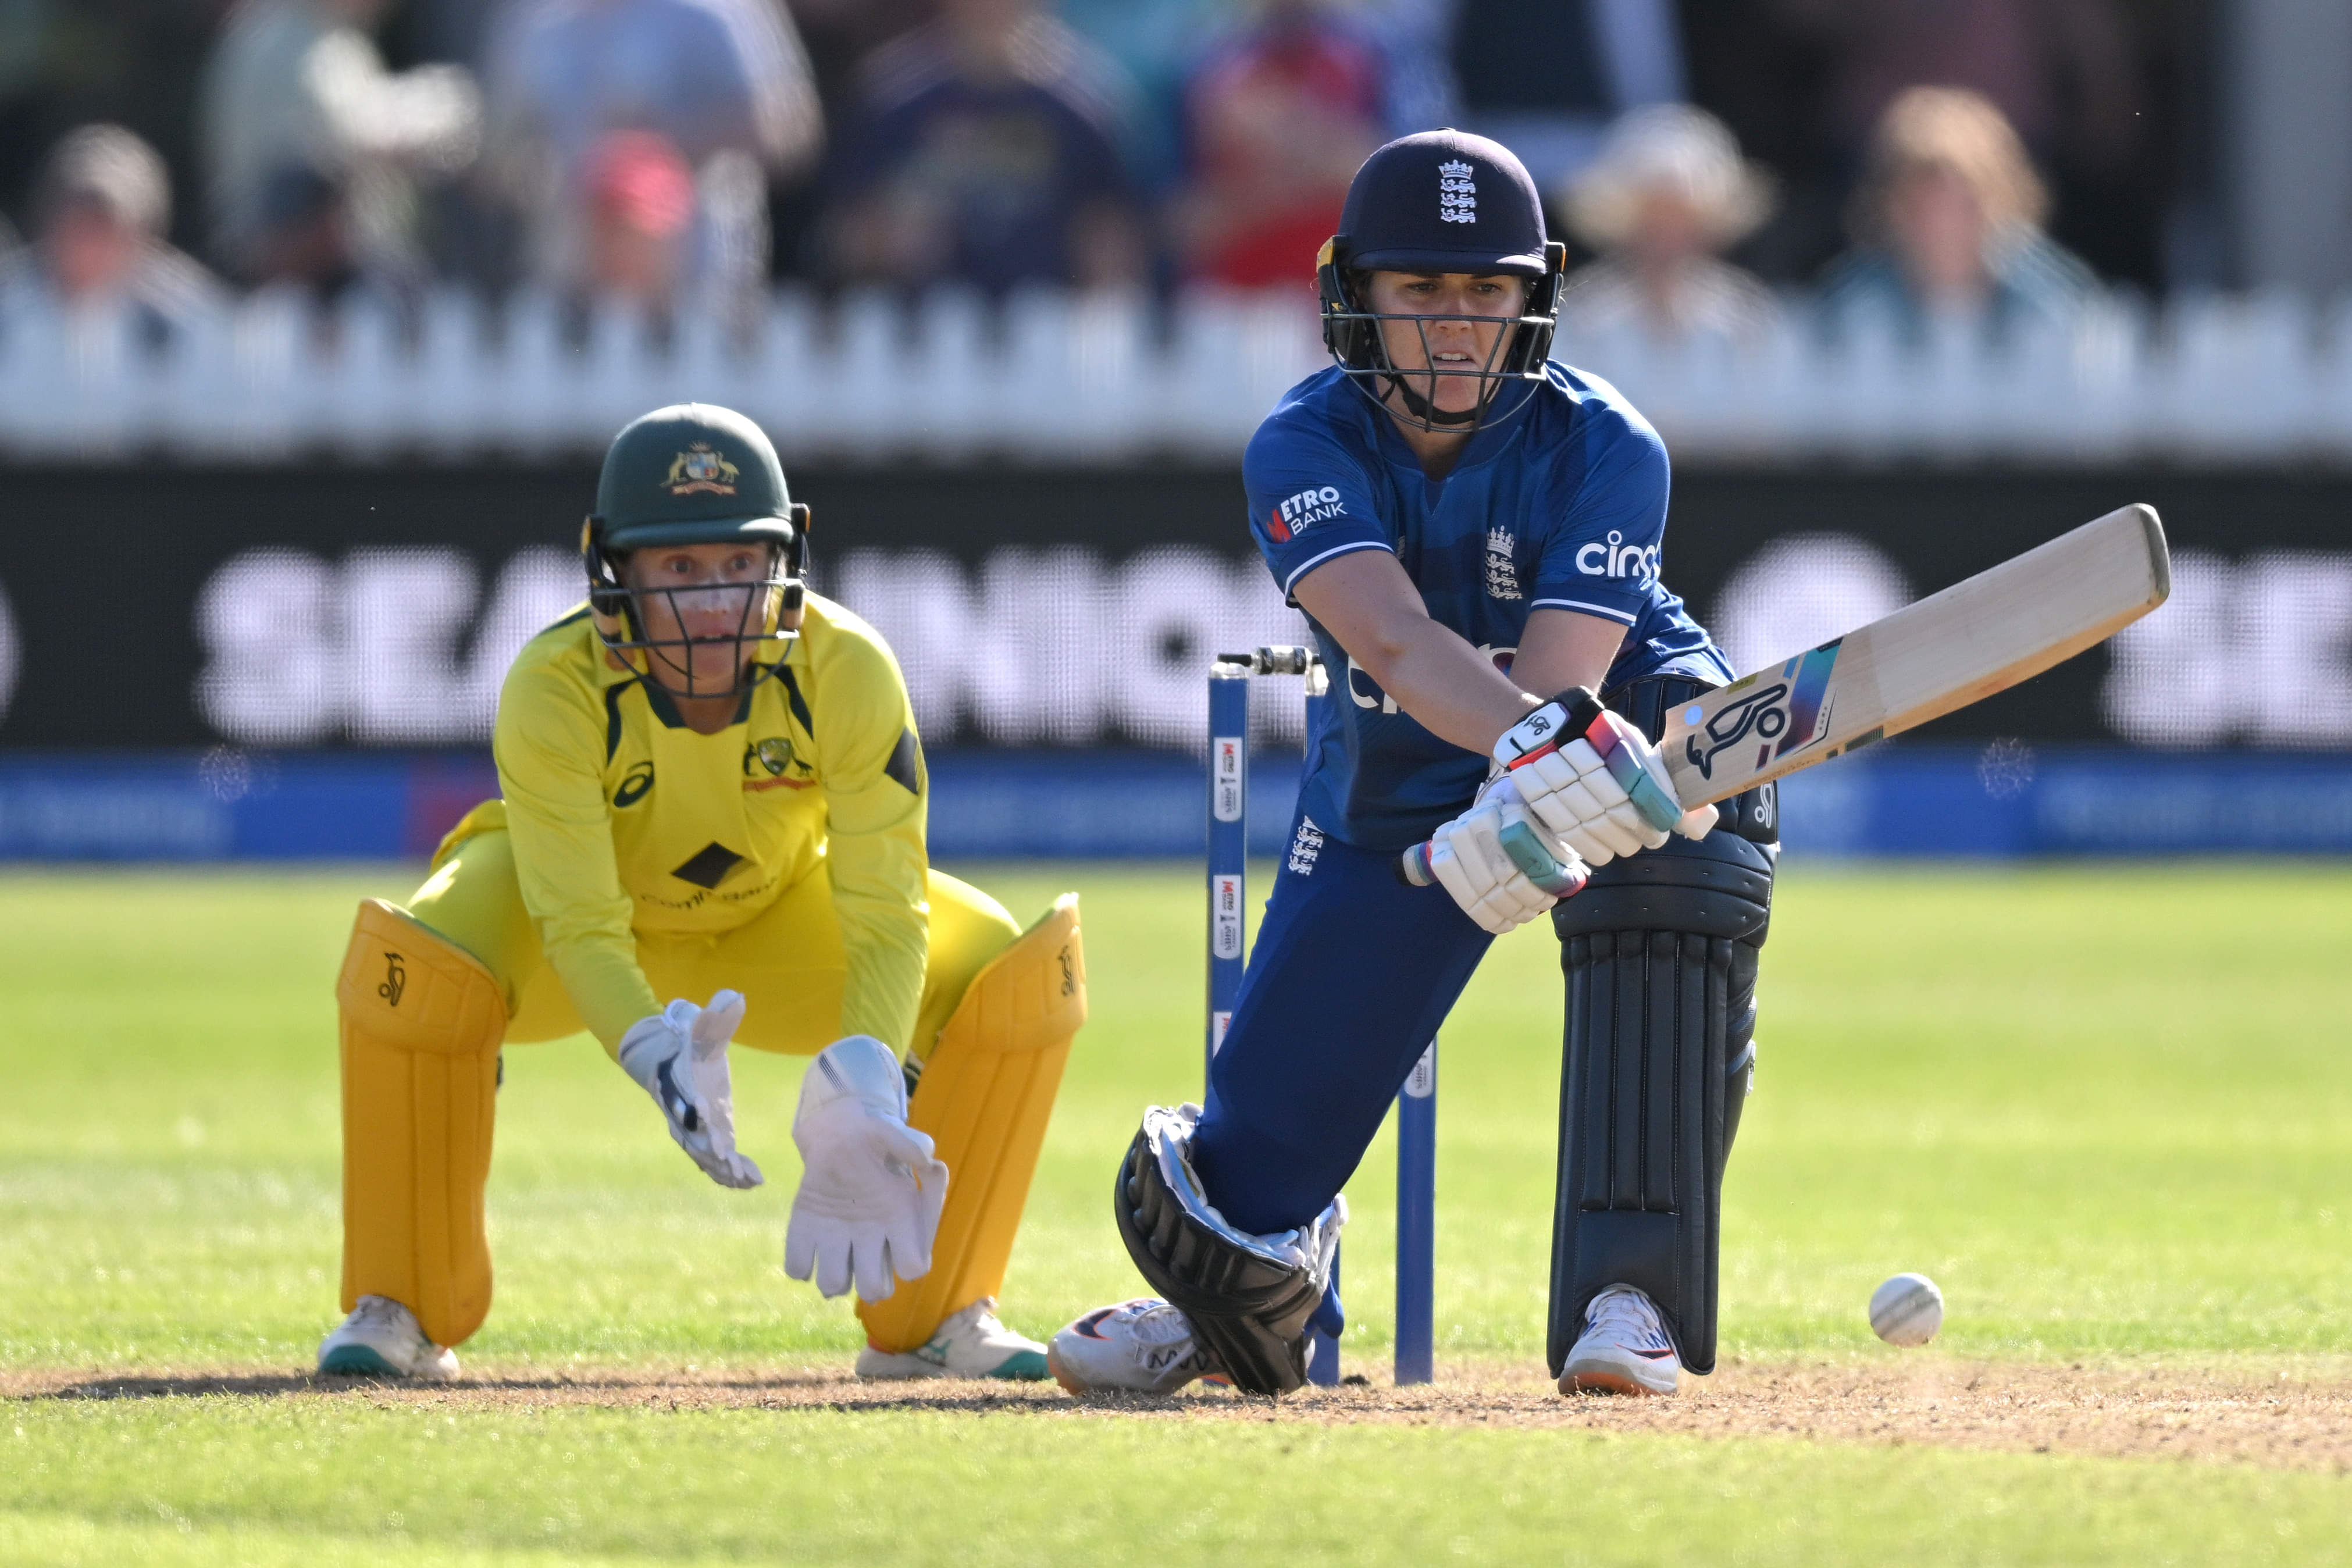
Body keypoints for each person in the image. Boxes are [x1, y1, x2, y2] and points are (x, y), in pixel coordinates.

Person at [1046, 131, 1775, 1399]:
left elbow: (1564, 676)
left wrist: (1544, 770)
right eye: (1422, 293)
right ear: (1355, 294)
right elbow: (1388, 634)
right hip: (1400, 758)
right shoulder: (1302, 445)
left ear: (1532, 294)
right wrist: (1508, 769)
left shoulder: (1608, 445)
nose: (1455, 328)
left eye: (1485, 293)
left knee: (1681, 881)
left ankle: (1631, 1299)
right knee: (1245, 1173)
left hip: (1624, 718)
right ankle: (1240, 1294)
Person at [315, 403, 1086, 1384]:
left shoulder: (845, 667)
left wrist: (864, 1077)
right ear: (614, 571)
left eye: (733, 563)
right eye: (677, 570)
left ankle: (937, 1317)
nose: (711, 601)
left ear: (782, 559)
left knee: (1009, 976)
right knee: (413, 968)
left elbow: (888, 909)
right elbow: (580, 920)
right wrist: (648, 1048)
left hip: (773, 927)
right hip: (569, 942)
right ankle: (402, 1305)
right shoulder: (553, 685)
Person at [482, 0, 820, 303]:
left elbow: (791, 129)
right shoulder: (534, 21)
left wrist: (667, 139)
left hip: (702, 287)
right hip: (568, 282)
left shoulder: (720, 11)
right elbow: (498, 155)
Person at [819, 0, 1145, 294]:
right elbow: (839, 236)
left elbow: (1114, 242)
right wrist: (890, 238)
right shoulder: (892, 98)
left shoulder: (1087, 106)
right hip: (914, 337)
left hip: (1048, 332)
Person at [199, 0, 481, 287]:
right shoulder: (272, 41)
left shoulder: (340, 42)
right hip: (291, 266)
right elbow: (308, 157)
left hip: (350, 262)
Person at [1815, 86, 2098, 350]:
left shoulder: (2050, 295)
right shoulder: (1851, 303)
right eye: (1927, 200)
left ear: (2001, 197)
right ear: (1895, 205)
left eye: (1965, 201)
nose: (1946, 219)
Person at [1175, 0, 1393, 292]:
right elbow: (1185, 221)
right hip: (1235, 291)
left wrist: (1303, 144)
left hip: (1333, 283)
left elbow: (1393, 176)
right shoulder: (1212, 71)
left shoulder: (1365, 59)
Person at [1556, 104, 1779, 348]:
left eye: (1682, 224)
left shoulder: (1746, 319)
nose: (1667, 240)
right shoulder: (1585, 317)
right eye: (1654, 224)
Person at [0, 125, 225, 349]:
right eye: (80, 220)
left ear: (144, 235)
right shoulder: (9, 305)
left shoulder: (189, 316)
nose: (92, 240)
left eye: (107, 224)